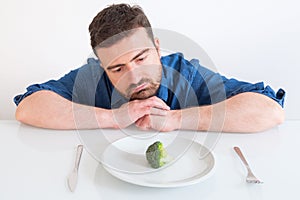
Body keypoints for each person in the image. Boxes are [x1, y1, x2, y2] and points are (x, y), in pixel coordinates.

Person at [14, 3, 285, 132]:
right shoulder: (92, 77)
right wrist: (114, 117)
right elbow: (28, 107)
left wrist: (176, 120)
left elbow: (269, 110)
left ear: (157, 48)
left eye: (141, 58)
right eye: (117, 68)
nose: (134, 77)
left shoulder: (184, 73)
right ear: (102, 66)